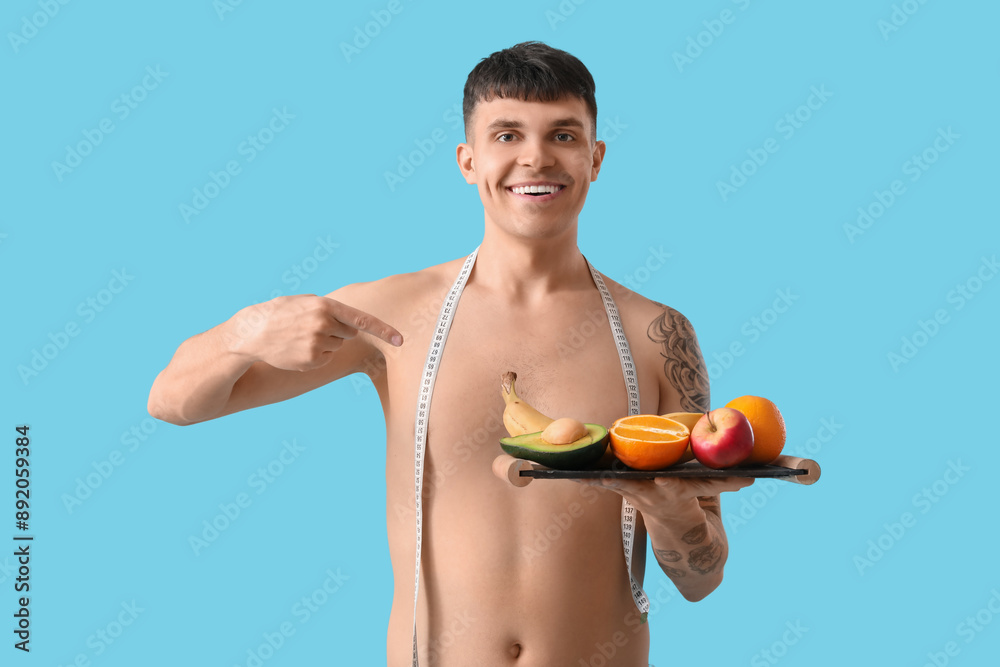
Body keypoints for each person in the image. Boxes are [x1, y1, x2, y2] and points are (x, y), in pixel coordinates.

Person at [148, 41, 752, 666]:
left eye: (563, 135)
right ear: (468, 160)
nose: (536, 157)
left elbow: (701, 578)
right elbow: (171, 402)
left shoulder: (656, 335)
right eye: (507, 135)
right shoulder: (391, 316)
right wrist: (244, 332)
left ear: (595, 158)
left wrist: (672, 515)